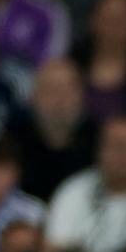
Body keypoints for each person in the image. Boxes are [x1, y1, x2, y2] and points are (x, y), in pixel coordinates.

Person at [46, 117, 126, 252]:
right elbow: (55, 251)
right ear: (100, 149)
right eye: (116, 146)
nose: (123, 155)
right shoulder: (73, 191)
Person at [7, 59, 98, 203]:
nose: (59, 100)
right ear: (33, 97)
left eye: (67, 90)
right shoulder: (11, 141)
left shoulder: (99, 140)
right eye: (50, 90)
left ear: (82, 96)